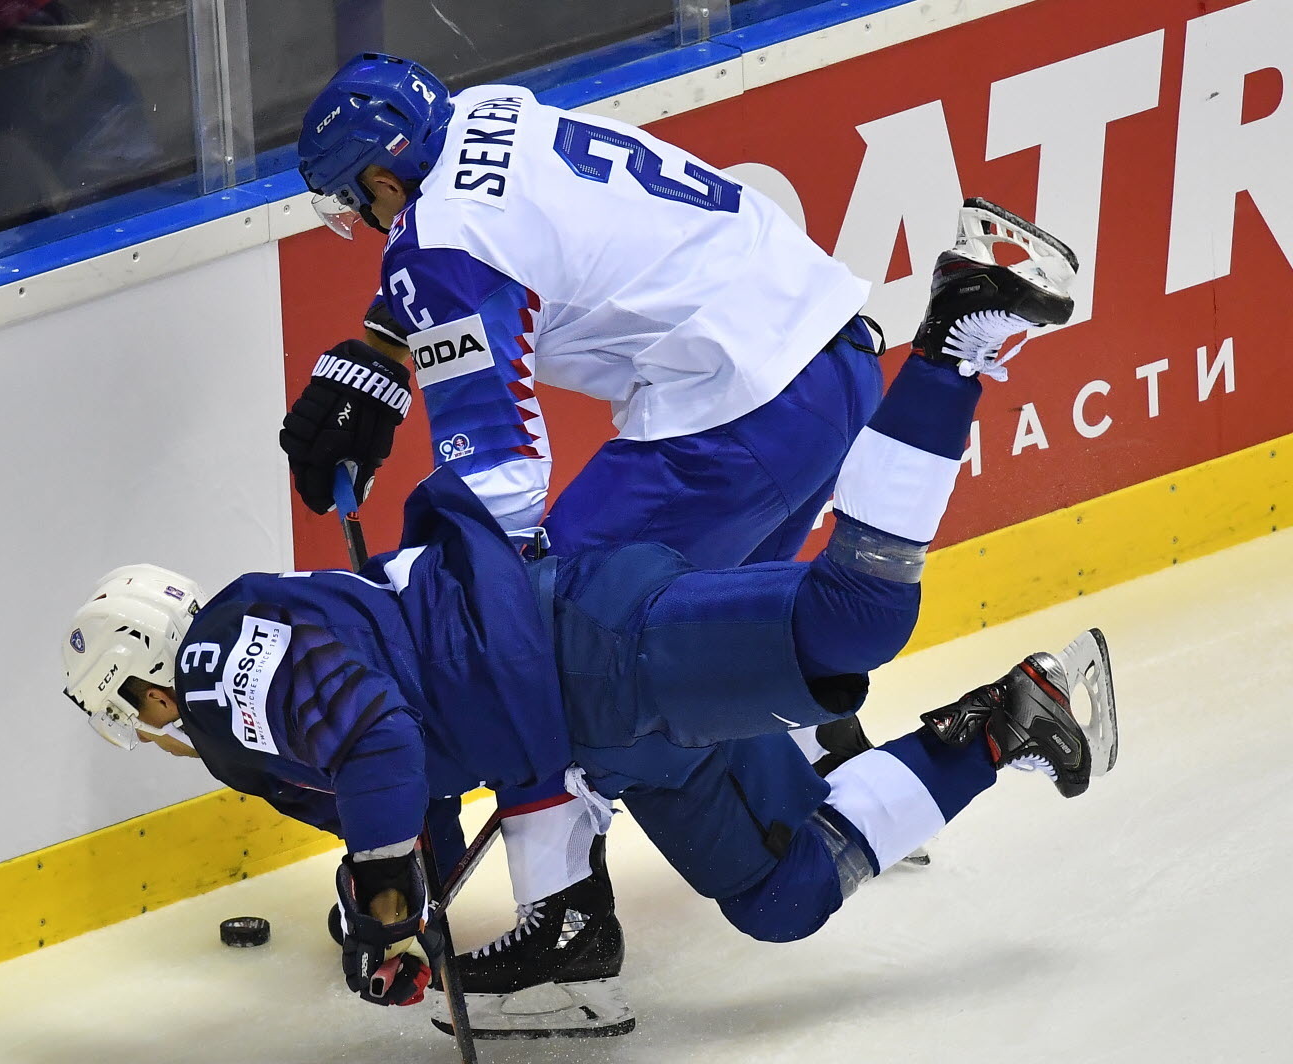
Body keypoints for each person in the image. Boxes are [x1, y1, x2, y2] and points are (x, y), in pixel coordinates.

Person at [63, 209, 1114, 1034]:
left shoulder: (212, 676)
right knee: (783, 893)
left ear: (146, 681)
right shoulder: (261, 668)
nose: (160, 728)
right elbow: (399, 790)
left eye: (138, 712)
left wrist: (384, 887)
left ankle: (956, 337)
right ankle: (1008, 718)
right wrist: (383, 901)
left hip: (582, 650)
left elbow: (378, 743)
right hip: (594, 733)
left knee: (855, 618)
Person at [278, 53, 1063, 1035]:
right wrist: (380, 351)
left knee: (527, 635)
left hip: (728, 416)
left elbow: (503, 479)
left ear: (385, 180)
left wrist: (423, 590)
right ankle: (826, 761)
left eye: (358, 203)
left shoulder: (436, 243)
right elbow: (493, 250)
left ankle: (563, 935)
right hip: (831, 359)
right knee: (701, 646)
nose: (363, 223)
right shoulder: (486, 113)